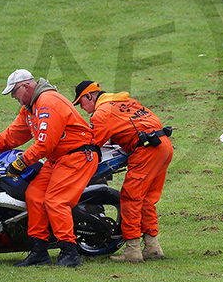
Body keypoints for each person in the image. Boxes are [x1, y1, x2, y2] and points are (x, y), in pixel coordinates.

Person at [0, 69, 100, 268]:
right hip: (58, 159)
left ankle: (70, 252)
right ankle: (39, 251)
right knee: (34, 195)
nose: (13, 96)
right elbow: (12, 136)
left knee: (55, 201)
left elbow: (44, 145)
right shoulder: (30, 108)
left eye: (14, 91)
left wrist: (20, 163)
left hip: (78, 156)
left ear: (27, 86)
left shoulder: (48, 101)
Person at [72, 81, 173, 262]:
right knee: (147, 200)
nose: (82, 108)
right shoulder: (127, 102)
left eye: (81, 103)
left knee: (130, 198)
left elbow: (93, 143)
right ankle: (152, 247)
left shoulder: (101, 112)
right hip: (163, 145)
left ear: (89, 96)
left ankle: (133, 250)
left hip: (146, 150)